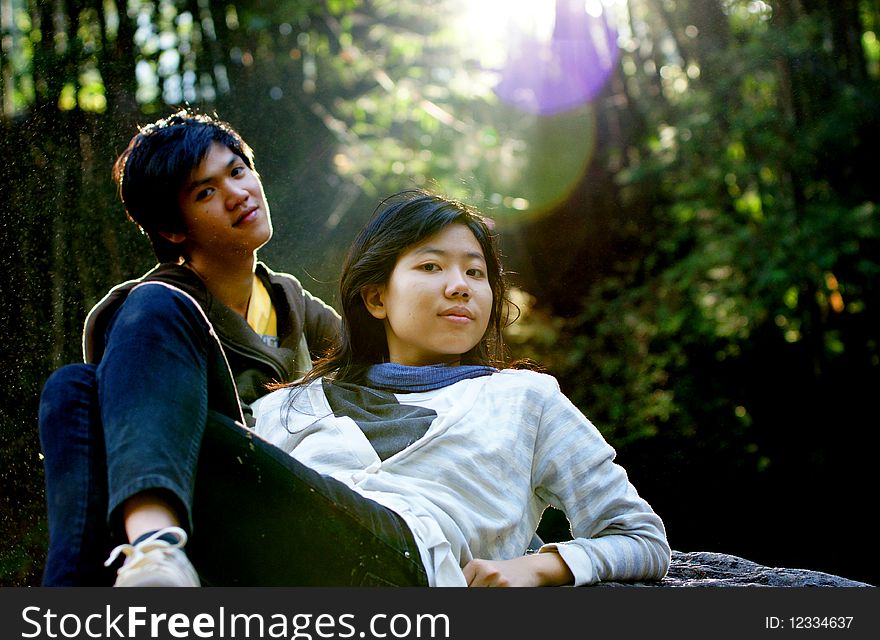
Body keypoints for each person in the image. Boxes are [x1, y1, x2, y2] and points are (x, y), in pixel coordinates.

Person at [94, 188, 671, 587]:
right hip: (287, 573)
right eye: (431, 267)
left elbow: (640, 537)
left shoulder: (525, 399)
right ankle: (138, 578)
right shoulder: (289, 402)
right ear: (376, 298)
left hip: (410, 570)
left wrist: (541, 566)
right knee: (75, 394)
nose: (460, 286)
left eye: (476, 272)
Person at [37, 110, 340, 586]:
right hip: (206, 505)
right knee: (72, 388)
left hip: (289, 500)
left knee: (73, 388)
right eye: (206, 192)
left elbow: (383, 364)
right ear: (174, 229)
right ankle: (153, 551)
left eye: (238, 172)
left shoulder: (291, 303)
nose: (237, 194)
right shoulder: (149, 313)